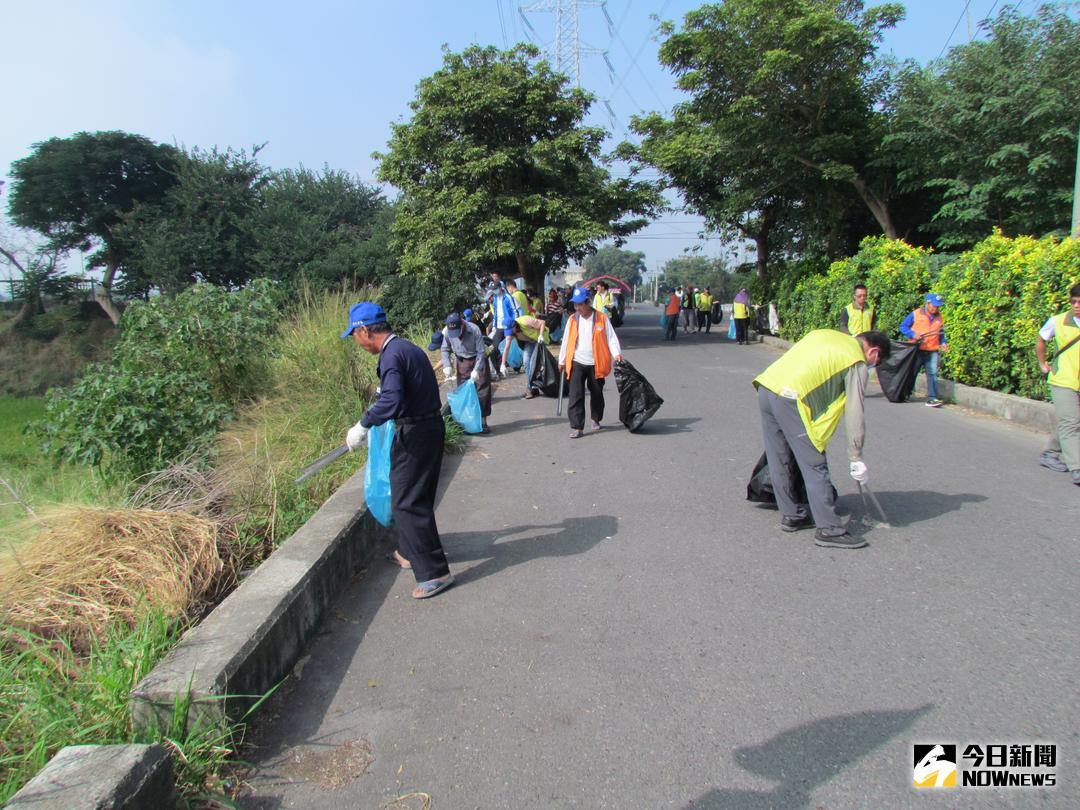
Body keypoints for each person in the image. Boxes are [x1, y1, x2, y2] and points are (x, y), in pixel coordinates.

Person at [342, 302, 453, 598]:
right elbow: (396, 394)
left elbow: (390, 400)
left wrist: (363, 425)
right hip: (428, 427)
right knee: (416, 495)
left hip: (415, 434)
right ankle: (408, 551)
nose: (356, 342)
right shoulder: (406, 348)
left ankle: (435, 573)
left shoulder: (391, 355)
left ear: (364, 330)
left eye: (354, 335)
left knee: (406, 502)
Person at [754, 328, 892, 549]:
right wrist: (856, 455)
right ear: (874, 351)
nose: (874, 366)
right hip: (790, 398)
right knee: (815, 464)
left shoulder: (827, 335)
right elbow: (855, 410)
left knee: (779, 457)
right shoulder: (855, 359)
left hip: (767, 387)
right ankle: (829, 529)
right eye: (877, 361)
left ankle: (792, 514)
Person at [558, 288, 623, 438]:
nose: (578, 308)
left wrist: (617, 354)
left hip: (596, 363)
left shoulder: (601, 318)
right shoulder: (573, 319)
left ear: (588, 302)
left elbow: (611, 338)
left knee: (597, 393)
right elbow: (566, 341)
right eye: (575, 305)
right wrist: (562, 360)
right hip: (577, 362)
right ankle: (577, 426)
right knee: (575, 395)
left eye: (580, 304)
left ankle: (595, 418)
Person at [1036, 283, 1080, 486]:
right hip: (1063, 379)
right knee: (1071, 422)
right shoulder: (1058, 321)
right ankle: (1077, 467)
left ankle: (1050, 453)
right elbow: (1042, 338)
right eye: (1074, 302)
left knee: (1069, 422)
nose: (1077, 305)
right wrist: (1042, 363)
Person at [437, 311, 492, 433]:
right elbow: (444, 349)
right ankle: (467, 423)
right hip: (462, 362)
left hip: (478, 360)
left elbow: (481, 352)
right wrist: (447, 366)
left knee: (482, 391)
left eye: (458, 330)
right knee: (463, 392)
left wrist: (477, 370)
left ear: (462, 324)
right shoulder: (447, 332)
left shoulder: (474, 329)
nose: (457, 335)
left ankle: (483, 423)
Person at [900, 293, 949, 407]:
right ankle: (906, 393)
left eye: (937, 306)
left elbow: (941, 333)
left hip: (932, 350)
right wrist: (913, 334)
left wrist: (943, 342)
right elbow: (903, 327)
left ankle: (932, 398)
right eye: (934, 305)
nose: (935, 308)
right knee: (912, 372)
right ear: (927, 303)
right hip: (917, 349)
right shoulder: (916, 314)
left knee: (932, 373)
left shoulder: (939, 317)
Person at [510, 314, 552, 399]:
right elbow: (507, 345)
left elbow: (542, 322)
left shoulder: (525, 321)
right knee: (526, 362)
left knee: (533, 363)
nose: (510, 332)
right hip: (528, 342)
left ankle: (532, 388)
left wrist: (540, 335)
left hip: (538, 340)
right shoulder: (510, 331)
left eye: (511, 330)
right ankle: (531, 387)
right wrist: (503, 364)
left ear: (515, 325)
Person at [489, 282, 520, 375]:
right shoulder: (494, 299)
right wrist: (494, 326)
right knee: (493, 348)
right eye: (493, 289)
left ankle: (510, 365)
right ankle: (497, 370)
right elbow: (495, 314)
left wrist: (514, 323)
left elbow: (515, 311)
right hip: (499, 326)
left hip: (508, 324)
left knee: (508, 346)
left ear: (500, 287)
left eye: (495, 288)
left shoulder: (508, 297)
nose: (494, 291)